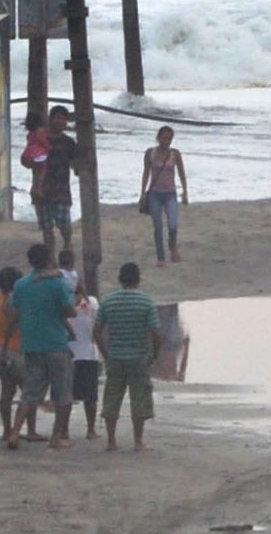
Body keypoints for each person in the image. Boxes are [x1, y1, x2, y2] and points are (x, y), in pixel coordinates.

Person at [8, 241, 80, 449]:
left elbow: (14, 313)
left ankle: (14, 433)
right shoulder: (57, 284)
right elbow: (69, 311)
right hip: (56, 343)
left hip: (31, 343)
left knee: (29, 393)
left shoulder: (20, 285)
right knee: (62, 394)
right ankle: (56, 437)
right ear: (49, 259)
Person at [98, 261, 161, 450]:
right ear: (138, 279)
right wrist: (154, 354)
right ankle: (138, 441)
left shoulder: (109, 301)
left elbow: (96, 330)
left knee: (112, 398)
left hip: (115, 356)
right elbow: (156, 332)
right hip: (139, 357)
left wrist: (105, 353)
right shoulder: (146, 301)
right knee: (140, 398)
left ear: (120, 279)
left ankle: (111, 440)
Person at [67, 250, 107, 442]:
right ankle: (79, 429)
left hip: (83, 354)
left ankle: (88, 429)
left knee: (86, 396)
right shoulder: (69, 302)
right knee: (72, 396)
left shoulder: (89, 302)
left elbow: (96, 317)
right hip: (77, 354)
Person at [0, 266, 27, 444]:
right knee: (28, 392)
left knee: (6, 392)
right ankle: (18, 431)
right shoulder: (16, 302)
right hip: (16, 349)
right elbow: (13, 324)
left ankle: (7, 429)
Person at [27, 108, 78, 248]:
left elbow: (76, 163)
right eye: (58, 118)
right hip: (42, 190)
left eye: (63, 119)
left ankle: (67, 246)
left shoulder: (69, 142)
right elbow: (28, 159)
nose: (60, 122)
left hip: (61, 190)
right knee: (47, 228)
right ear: (50, 119)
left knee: (65, 225)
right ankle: (51, 258)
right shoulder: (40, 138)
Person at [141, 125, 188, 264]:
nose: (167, 141)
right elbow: (146, 173)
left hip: (170, 194)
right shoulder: (150, 153)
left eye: (169, 138)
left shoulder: (175, 154)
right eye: (164, 138)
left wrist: (185, 191)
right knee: (158, 226)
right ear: (158, 138)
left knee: (173, 224)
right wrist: (143, 192)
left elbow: (181, 173)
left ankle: (173, 248)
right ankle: (160, 257)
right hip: (155, 194)